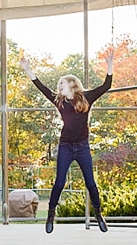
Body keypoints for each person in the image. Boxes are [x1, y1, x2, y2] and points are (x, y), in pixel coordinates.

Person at [19, 49, 114, 234]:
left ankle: (98, 214)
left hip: (83, 146)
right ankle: (50, 214)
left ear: (71, 84)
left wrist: (109, 66)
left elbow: (106, 86)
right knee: (59, 182)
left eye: (61, 83)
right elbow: (42, 88)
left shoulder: (86, 98)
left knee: (90, 183)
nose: (58, 86)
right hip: (66, 147)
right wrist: (28, 70)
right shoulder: (59, 101)